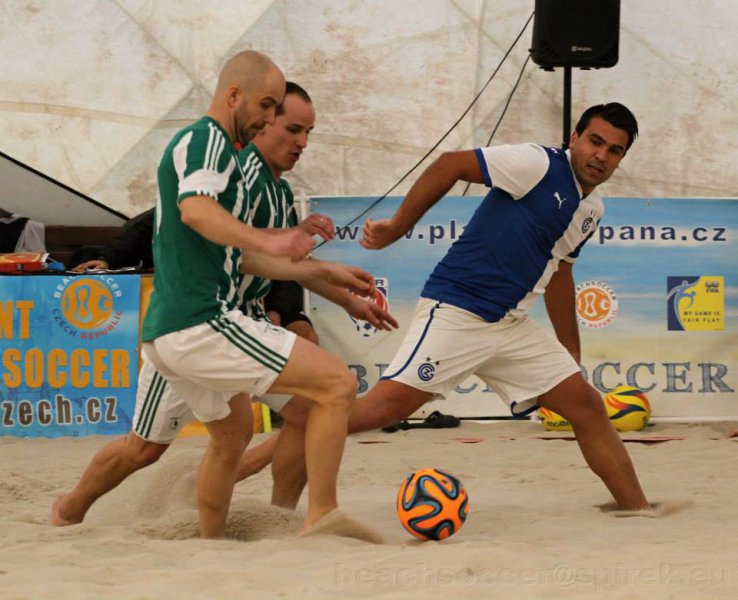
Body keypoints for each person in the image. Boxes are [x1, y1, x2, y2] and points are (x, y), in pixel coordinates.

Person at [246, 102, 657, 515]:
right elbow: (450, 164)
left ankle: (639, 511)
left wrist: (571, 351)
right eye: (595, 142)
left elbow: (561, 273)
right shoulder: (537, 164)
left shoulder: (591, 210)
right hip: (458, 310)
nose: (601, 156)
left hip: (510, 323)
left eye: (614, 150)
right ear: (574, 139)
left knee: (586, 405)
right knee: (373, 412)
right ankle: (274, 500)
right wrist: (397, 226)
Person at [51, 51, 386, 540]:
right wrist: (279, 242)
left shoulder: (262, 179)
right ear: (235, 97)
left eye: (303, 130)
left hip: (213, 323)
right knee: (330, 386)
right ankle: (318, 514)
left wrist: (333, 278)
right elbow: (194, 214)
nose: (290, 134)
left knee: (240, 434)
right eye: (279, 118)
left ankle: (238, 532)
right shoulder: (214, 145)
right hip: (204, 322)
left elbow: (252, 256)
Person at [70, 208, 155, 272]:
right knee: (84, 255)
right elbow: (134, 237)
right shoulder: (159, 214)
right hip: (144, 266)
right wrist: (106, 260)